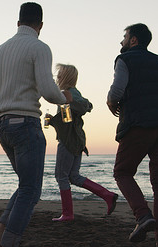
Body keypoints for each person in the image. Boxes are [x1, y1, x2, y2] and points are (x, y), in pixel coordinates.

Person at [0, 2, 71, 247]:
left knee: (25, 184)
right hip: (26, 123)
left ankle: (0, 231)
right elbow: (49, 90)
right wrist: (64, 99)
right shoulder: (39, 47)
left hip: (3, 125)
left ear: (18, 23)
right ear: (39, 25)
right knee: (30, 189)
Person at [107, 23, 158, 247]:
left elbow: (117, 91)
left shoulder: (125, 60)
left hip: (139, 125)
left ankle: (143, 216)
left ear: (133, 40)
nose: (121, 42)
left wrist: (111, 103)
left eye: (124, 37)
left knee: (122, 172)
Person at [46, 64, 118, 222]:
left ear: (65, 77)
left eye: (59, 76)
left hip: (68, 141)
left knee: (61, 176)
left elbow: (67, 120)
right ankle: (107, 195)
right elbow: (74, 116)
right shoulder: (75, 94)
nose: (57, 78)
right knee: (74, 176)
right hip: (78, 140)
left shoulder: (66, 94)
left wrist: (52, 121)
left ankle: (67, 213)